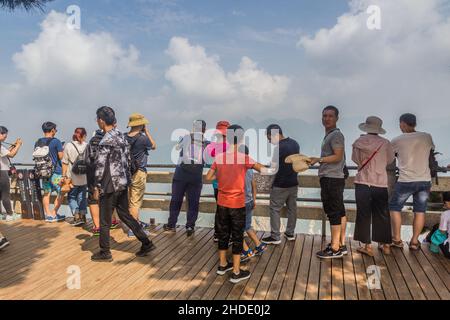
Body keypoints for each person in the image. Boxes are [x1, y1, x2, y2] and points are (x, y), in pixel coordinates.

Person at [206, 125, 270, 284]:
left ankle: (222, 265)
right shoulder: (244, 157)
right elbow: (264, 171)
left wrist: (223, 178)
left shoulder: (219, 157)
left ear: (227, 138)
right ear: (241, 139)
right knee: (236, 235)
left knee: (223, 233)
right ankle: (235, 271)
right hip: (237, 204)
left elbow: (208, 177)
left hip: (222, 202)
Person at [91, 106, 155, 262]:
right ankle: (146, 242)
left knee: (105, 220)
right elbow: (128, 161)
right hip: (123, 183)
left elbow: (100, 166)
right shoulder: (121, 137)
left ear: (100, 121)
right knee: (125, 215)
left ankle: (105, 251)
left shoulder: (105, 140)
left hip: (109, 184)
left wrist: (96, 186)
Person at [390, 113, 435, 251]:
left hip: (405, 180)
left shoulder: (397, 140)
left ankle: (397, 239)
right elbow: (431, 151)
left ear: (403, 123)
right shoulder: (427, 136)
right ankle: (414, 242)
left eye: (400, 124)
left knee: (394, 207)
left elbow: (390, 157)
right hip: (424, 180)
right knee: (420, 211)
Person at [352, 117, 395, 256]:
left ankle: (367, 246)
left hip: (363, 182)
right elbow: (390, 160)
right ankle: (385, 245)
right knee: (382, 214)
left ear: (366, 127)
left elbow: (355, 159)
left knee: (363, 214)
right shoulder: (386, 143)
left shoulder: (359, 142)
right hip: (380, 182)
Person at [310, 106, 348, 259]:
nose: (327, 118)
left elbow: (338, 156)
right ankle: (340, 244)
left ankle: (335, 248)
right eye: (324, 115)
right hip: (334, 177)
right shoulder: (331, 135)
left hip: (332, 178)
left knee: (333, 212)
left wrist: (319, 159)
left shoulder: (336, 136)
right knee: (339, 211)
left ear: (337, 118)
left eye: (330, 116)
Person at [164, 120, 209, 237]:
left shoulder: (186, 137)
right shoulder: (206, 142)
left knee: (176, 200)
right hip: (196, 175)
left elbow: (177, 147)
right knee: (193, 202)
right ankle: (190, 226)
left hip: (181, 174)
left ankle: (171, 225)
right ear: (204, 129)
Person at [262, 124, 300, 245]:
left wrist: (264, 174)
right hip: (293, 182)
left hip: (280, 184)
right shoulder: (295, 143)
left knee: (274, 209)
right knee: (292, 208)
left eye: (269, 138)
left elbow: (273, 168)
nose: (269, 141)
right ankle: (290, 233)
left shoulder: (278, 148)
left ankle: (275, 236)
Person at [126, 113, 156, 238]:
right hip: (138, 172)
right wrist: (147, 132)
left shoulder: (124, 137)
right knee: (135, 202)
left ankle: (136, 223)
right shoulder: (143, 138)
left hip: (126, 172)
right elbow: (153, 146)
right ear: (141, 124)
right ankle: (134, 229)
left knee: (130, 200)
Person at [34, 122, 65, 223]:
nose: (56, 131)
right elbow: (61, 156)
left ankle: (48, 215)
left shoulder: (38, 142)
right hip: (56, 172)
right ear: (52, 130)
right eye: (55, 130)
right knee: (61, 191)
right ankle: (54, 213)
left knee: (46, 192)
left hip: (43, 172)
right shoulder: (56, 141)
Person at [205, 121, 230, 242]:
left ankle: (217, 233)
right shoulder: (230, 145)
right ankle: (224, 234)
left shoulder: (215, 146)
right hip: (228, 183)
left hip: (217, 183)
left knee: (220, 209)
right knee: (226, 209)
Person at [241, 154, 268, 262]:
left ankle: (246, 251)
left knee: (235, 228)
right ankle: (259, 245)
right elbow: (254, 186)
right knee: (247, 226)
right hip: (249, 201)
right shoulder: (250, 170)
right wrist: (254, 200)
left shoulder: (239, 170)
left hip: (240, 203)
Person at [62, 128, 88, 227]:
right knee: (82, 197)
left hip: (72, 177)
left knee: (72, 197)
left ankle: (77, 216)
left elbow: (64, 162)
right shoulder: (87, 146)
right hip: (84, 177)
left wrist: (63, 176)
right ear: (84, 135)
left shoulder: (69, 145)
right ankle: (83, 215)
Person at [0, 126, 23, 222]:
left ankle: (1, 214)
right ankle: (10, 214)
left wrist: (13, 145)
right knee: (5, 195)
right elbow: (11, 154)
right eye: (5, 135)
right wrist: (19, 145)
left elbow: (5, 152)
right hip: (2, 172)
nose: (6, 137)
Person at [428, 192, 450, 259]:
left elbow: (442, 231)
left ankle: (430, 241)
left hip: (449, 253)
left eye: (445, 202)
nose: (444, 204)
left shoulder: (446, 214)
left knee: (437, 228)